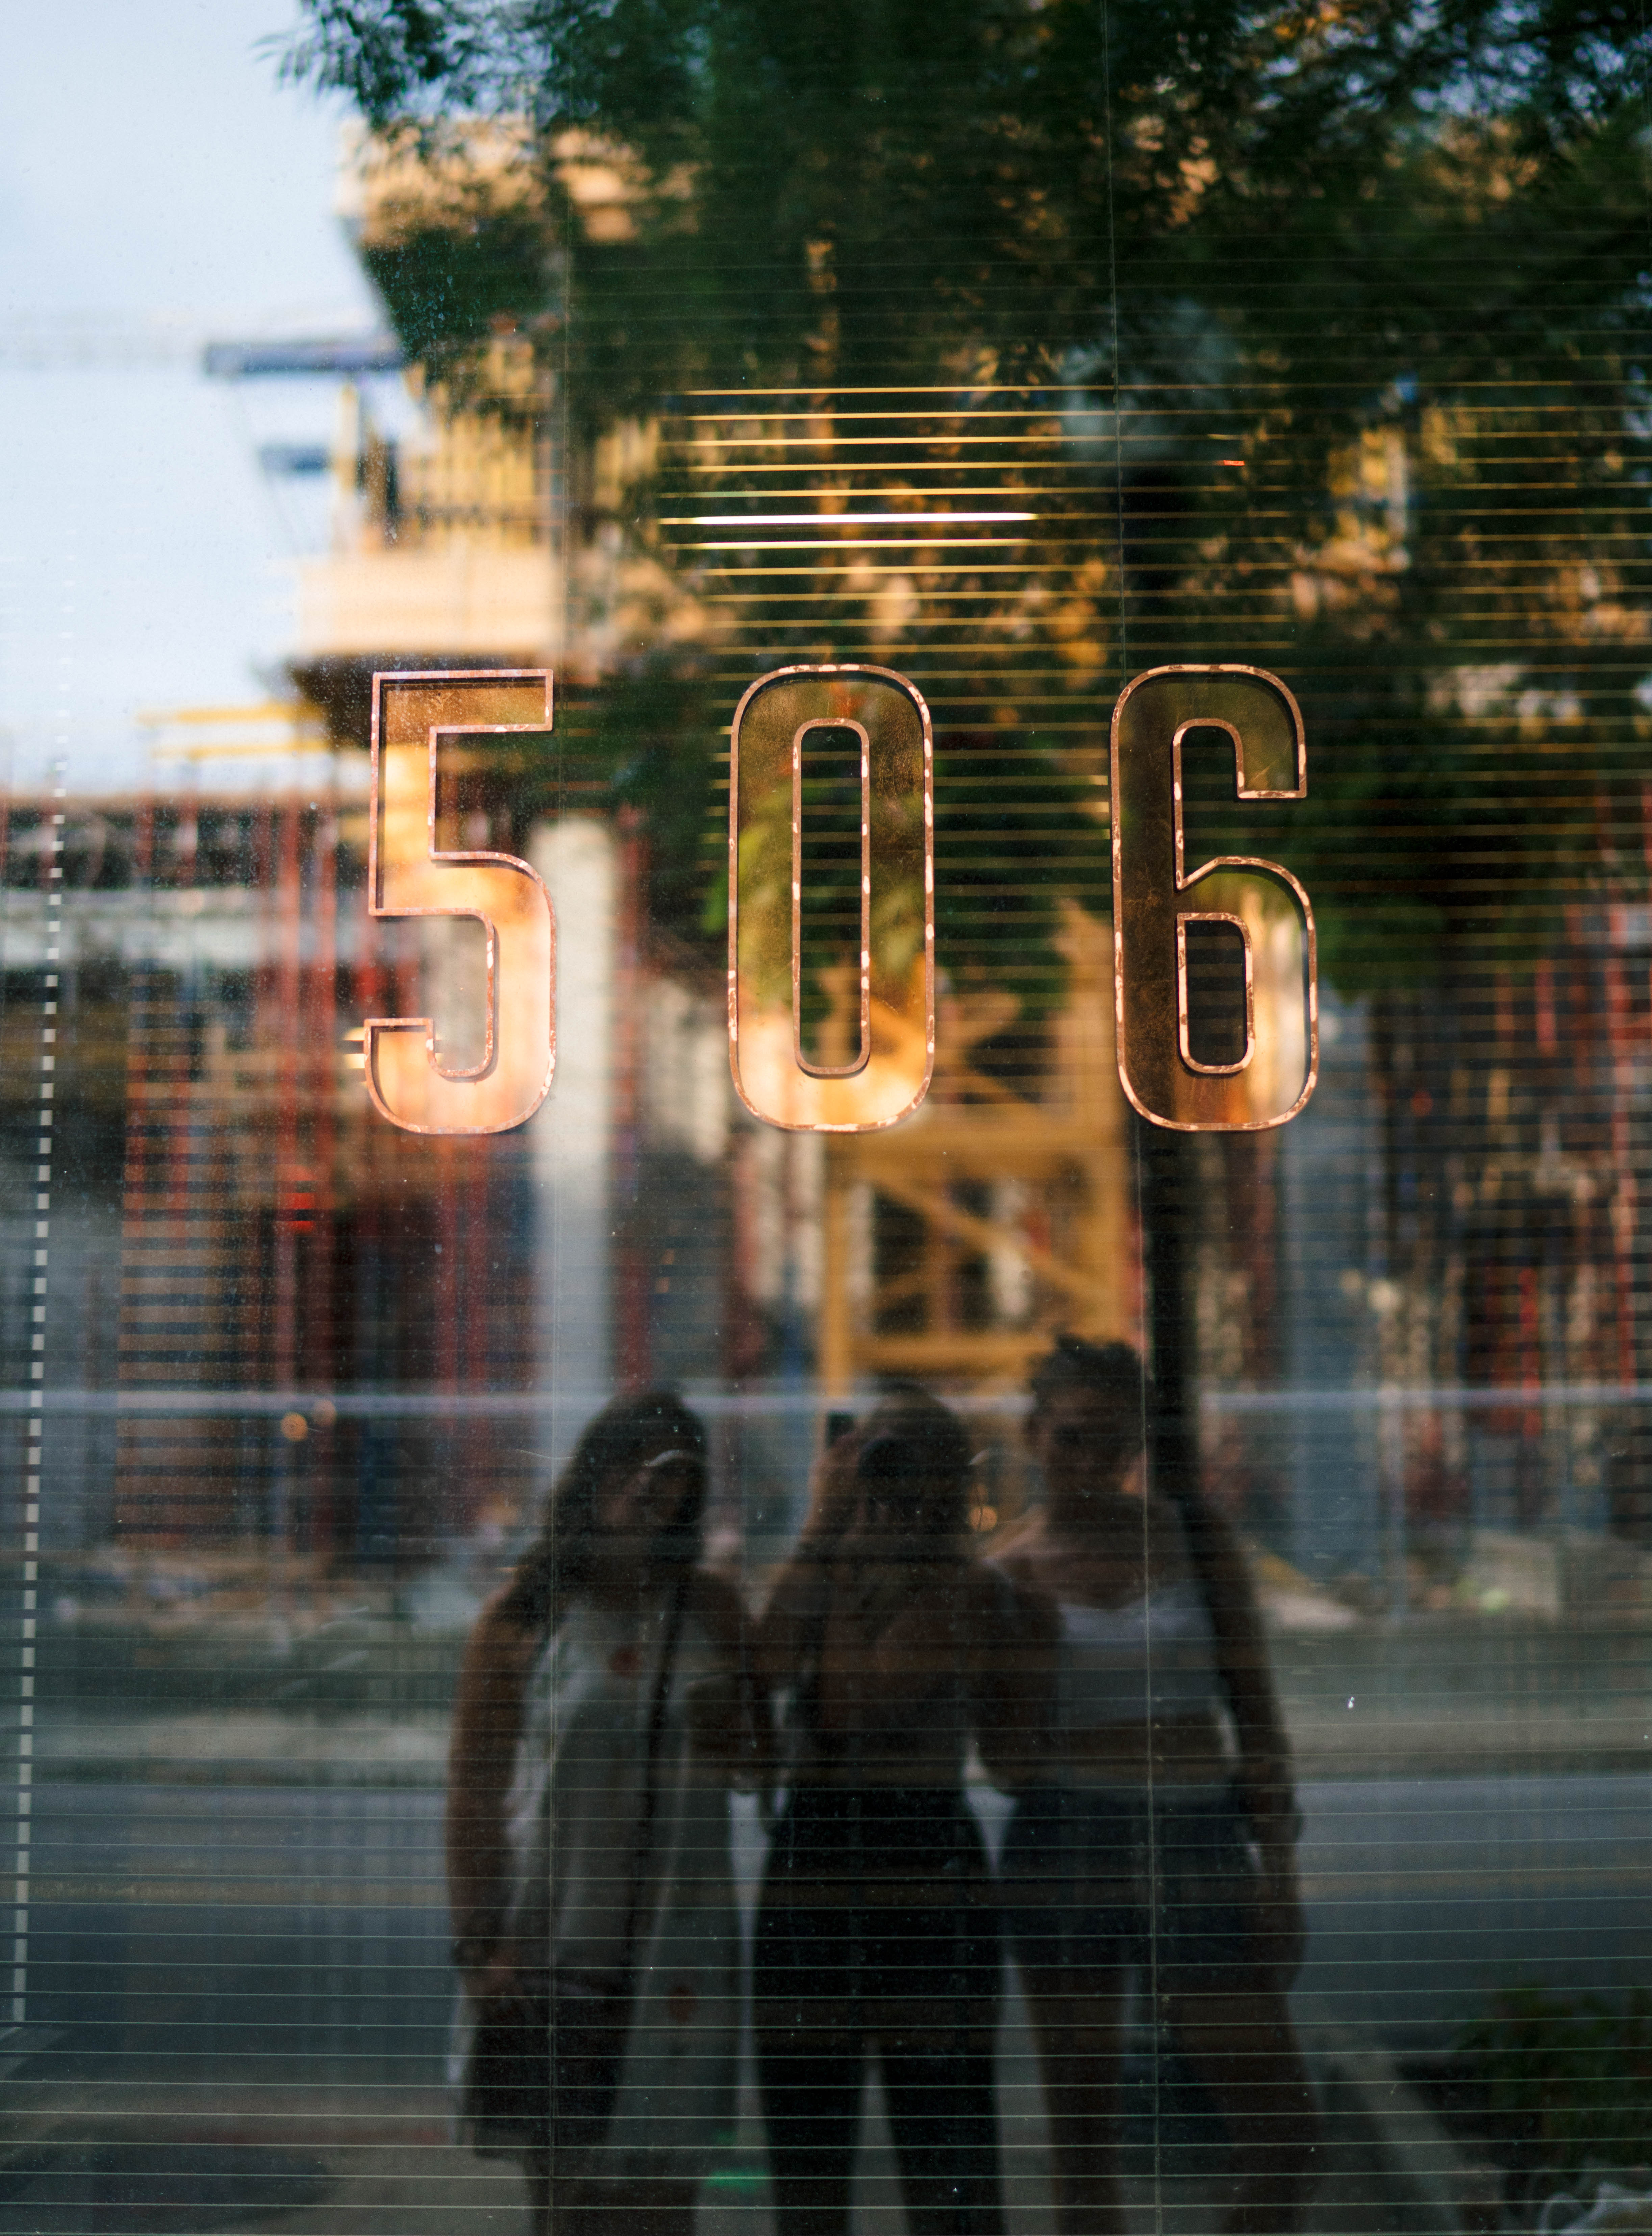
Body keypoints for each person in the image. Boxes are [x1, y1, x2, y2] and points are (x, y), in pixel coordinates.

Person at [988, 1335, 1320, 2236]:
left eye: (1116, 1442)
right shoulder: (1008, 1571)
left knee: (1285, 2131)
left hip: (1196, 1830)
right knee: (1084, 2146)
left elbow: (1255, 1713)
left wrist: (1279, 1877)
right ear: (1033, 1434)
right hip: (1067, 1834)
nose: (1094, 1462)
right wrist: (1018, 1652)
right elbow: (1007, 1764)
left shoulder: (1191, 1536)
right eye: (1073, 1439)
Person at [446, 1391, 765, 2236]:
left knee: (665, 2205)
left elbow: (764, 1767)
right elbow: (474, 1795)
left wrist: (738, 1730)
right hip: (557, 1936)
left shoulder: (714, 1613)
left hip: (682, 1949)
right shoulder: (524, 1618)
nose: (645, 1488)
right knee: (568, 2204)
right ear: (592, 1478)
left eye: (670, 1473)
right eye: (629, 1466)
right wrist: (481, 1946)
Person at [753, 1388, 1029, 2236]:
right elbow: (762, 1671)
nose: (893, 1481)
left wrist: (833, 1558)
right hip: (815, 1853)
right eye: (879, 1455)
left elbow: (853, 1702)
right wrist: (819, 1529)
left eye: (911, 1462)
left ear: (948, 1482)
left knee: (947, 2163)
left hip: (922, 1855)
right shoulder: (826, 1568)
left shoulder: (970, 1589)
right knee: (807, 2156)